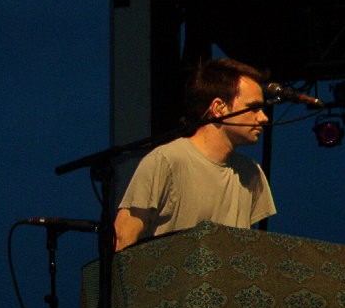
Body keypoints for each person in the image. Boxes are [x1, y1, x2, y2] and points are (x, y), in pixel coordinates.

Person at [113, 57, 277, 251]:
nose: (263, 117)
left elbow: (250, 249)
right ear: (219, 108)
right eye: (254, 108)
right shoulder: (166, 160)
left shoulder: (251, 172)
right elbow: (123, 236)